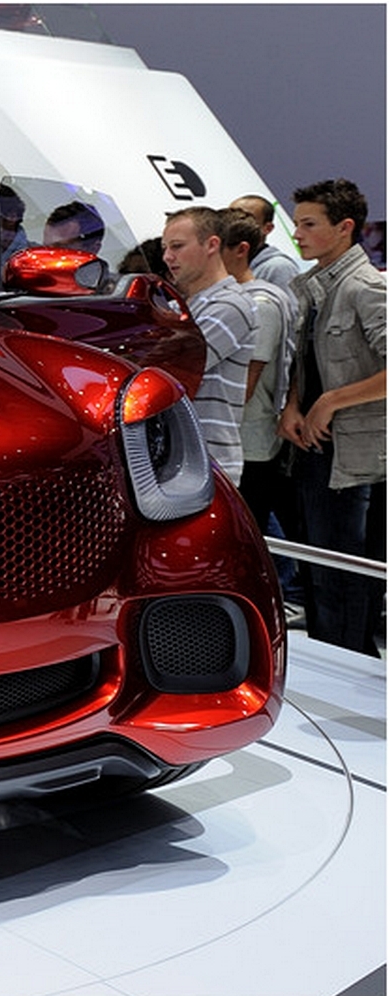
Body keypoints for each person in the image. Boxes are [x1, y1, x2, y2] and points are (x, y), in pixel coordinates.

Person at [277, 178, 385, 655]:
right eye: (297, 223)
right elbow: (306, 360)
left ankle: (350, 662)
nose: (298, 234)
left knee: (345, 572)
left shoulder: (366, 287)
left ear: (344, 228)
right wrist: (294, 404)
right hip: (314, 446)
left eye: (308, 224)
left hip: (354, 453)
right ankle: (332, 657)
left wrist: (330, 401)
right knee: (320, 567)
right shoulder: (314, 287)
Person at [221, 207, 304, 621]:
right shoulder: (243, 299)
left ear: (239, 250)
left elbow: (245, 385)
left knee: (248, 533)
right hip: (239, 438)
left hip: (249, 442)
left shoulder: (261, 304)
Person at [162, 206, 256, 483]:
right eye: (165, 248)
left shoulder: (231, 305)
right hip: (175, 460)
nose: (167, 257)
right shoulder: (176, 308)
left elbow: (172, 366)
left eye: (177, 246)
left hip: (206, 464)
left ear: (212, 244)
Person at [229, 194, 303, 289]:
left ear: (267, 228)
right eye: (230, 216)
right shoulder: (224, 262)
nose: (234, 223)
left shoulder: (279, 268)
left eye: (245, 219)